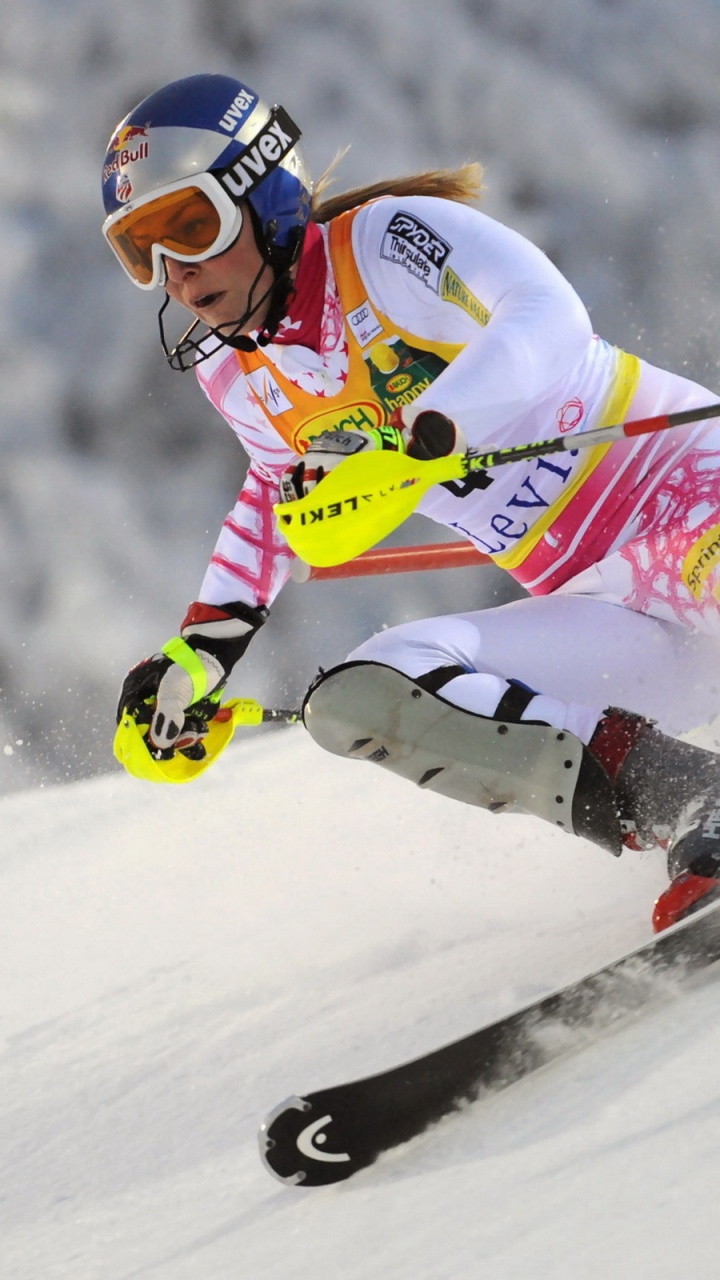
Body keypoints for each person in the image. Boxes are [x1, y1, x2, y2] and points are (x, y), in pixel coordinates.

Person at [103, 72, 720, 934]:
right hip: (607, 609)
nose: (176, 272)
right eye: (143, 252)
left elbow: (548, 315)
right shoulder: (236, 374)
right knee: (364, 695)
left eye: (190, 227)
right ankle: (695, 801)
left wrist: (430, 430)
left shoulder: (383, 244)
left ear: (263, 193)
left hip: (692, 508)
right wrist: (199, 655)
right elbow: (279, 495)